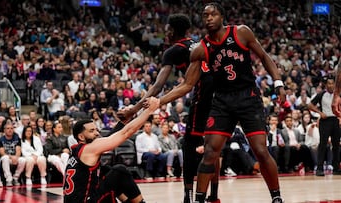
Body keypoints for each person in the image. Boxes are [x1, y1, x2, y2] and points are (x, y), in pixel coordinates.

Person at [155, 2, 286, 203]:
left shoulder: (241, 33)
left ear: (222, 17)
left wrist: (278, 83)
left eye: (212, 14)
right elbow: (187, 84)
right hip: (222, 101)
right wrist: (159, 101)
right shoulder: (201, 49)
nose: (208, 18)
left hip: (247, 97)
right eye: (205, 15)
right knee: (210, 152)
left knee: (260, 150)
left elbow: (264, 56)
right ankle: (200, 199)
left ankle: (276, 197)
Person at [118, 13, 218, 203]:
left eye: (166, 31)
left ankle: (188, 195)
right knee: (214, 146)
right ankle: (213, 195)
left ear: (171, 31)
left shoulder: (173, 51)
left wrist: (134, 110)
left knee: (189, 144)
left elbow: (158, 86)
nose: (165, 34)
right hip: (220, 95)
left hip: (204, 94)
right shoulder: (198, 44)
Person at [63, 97, 159, 203]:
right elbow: (125, 133)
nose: (97, 133)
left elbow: (109, 137)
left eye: (96, 130)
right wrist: (149, 111)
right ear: (81, 137)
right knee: (119, 170)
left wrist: (124, 120)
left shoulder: (78, 150)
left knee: (106, 170)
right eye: (91, 131)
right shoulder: (89, 148)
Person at [308, 76, 341, 176]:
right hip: (325, 121)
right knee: (323, 145)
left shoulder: (338, 94)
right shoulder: (321, 94)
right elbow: (310, 105)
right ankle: (319, 168)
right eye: (329, 83)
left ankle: (336, 168)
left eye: (332, 83)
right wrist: (319, 112)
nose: (331, 85)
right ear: (326, 85)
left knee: (336, 145)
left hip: (336, 120)